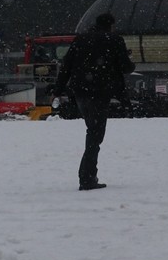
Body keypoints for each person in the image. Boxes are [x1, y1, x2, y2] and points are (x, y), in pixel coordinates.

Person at [53, 12, 135, 191]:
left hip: (81, 92)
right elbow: (126, 68)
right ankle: (87, 177)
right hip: (101, 93)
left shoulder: (80, 39)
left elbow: (67, 66)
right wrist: (130, 60)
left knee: (92, 131)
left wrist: (57, 90)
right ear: (111, 25)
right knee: (95, 134)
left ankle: (88, 175)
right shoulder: (114, 40)